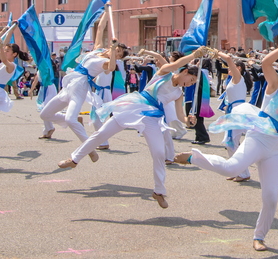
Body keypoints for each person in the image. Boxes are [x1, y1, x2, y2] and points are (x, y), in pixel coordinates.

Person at [174, 30, 278, 251]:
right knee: (231, 168)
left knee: (271, 197)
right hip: (258, 138)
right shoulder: (277, 85)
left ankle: (259, 236)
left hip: (275, 149)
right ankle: (194, 157)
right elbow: (266, 63)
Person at [57, 46, 206, 209]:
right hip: (134, 106)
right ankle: (74, 159)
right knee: (101, 134)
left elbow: (179, 115)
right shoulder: (165, 73)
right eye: (191, 80)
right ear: (185, 72)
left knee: (159, 153)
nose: (189, 84)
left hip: (152, 118)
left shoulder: (179, 93)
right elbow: (176, 64)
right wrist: (194, 55)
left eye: (192, 83)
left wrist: (188, 120)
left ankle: (159, 191)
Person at [40, 11, 128, 148]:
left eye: (118, 53)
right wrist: (106, 10)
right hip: (70, 82)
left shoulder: (106, 62)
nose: (116, 52)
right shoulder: (97, 50)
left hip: (81, 86)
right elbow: (100, 28)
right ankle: (74, 121)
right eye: (117, 50)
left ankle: (89, 145)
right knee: (45, 114)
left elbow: (110, 68)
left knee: (80, 118)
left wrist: (113, 49)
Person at [216, 51, 252, 182]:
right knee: (230, 142)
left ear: (238, 68)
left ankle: (242, 172)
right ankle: (236, 170)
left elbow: (228, 60)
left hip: (238, 112)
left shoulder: (238, 77)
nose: (228, 69)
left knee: (231, 142)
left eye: (231, 67)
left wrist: (217, 52)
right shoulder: (232, 78)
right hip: (232, 111)